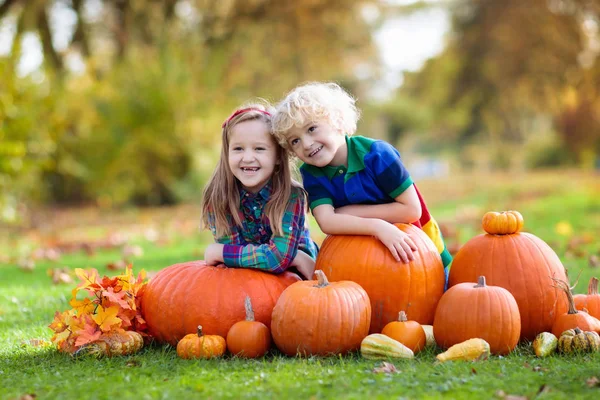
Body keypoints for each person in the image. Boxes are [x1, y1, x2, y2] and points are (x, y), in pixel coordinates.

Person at [271, 82, 452, 280]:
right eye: (294, 141)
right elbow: (327, 222)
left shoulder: (377, 155)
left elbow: (411, 210)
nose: (306, 144)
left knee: (423, 294)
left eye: (312, 129)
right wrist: (377, 226)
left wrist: (348, 213)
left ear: (338, 121)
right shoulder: (312, 173)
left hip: (414, 248)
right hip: (360, 258)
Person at [201, 102, 318, 280]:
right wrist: (289, 257)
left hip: (297, 279)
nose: (248, 158)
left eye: (259, 149)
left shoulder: (291, 195)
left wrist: (222, 253)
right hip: (245, 280)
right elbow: (233, 265)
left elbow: (278, 259)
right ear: (227, 153)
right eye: (238, 148)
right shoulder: (218, 196)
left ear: (278, 156)